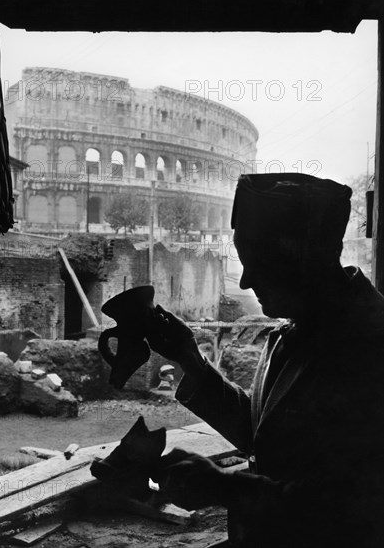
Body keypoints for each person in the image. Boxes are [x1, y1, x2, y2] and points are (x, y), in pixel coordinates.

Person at [146, 173, 384, 548]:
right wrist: (191, 360)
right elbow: (268, 437)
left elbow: (350, 506)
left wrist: (224, 486)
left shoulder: (370, 346)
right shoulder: (299, 331)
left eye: (256, 262)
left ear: (303, 257)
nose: (244, 282)